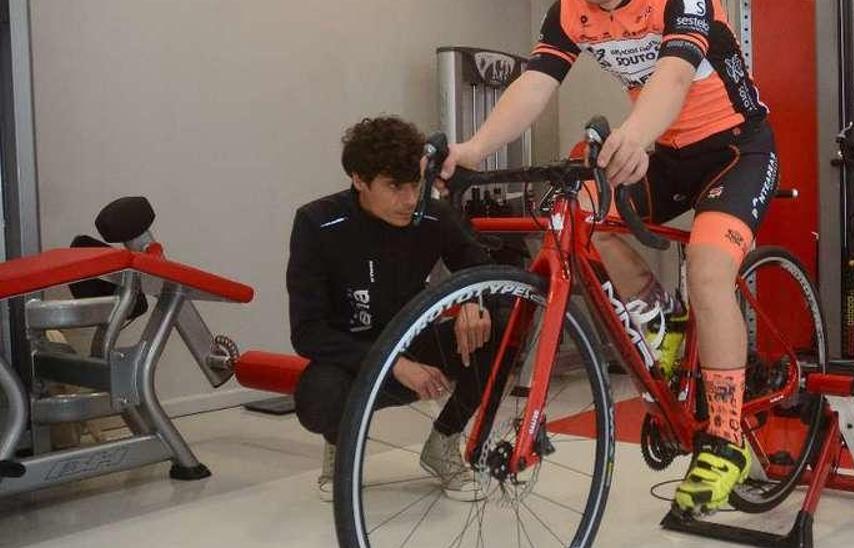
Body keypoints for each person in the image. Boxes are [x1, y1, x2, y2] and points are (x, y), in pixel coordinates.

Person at [437, 0, 778, 516]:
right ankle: (661, 314)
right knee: (576, 209)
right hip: (666, 151)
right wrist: (474, 148)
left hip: (737, 150)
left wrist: (635, 136)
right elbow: (536, 82)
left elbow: (675, 75)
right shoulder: (571, 10)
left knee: (708, 270)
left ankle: (725, 437)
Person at [288, 116, 501, 502]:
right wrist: (396, 365)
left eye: (416, 185)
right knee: (317, 397)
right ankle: (340, 445)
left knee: (502, 329)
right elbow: (307, 332)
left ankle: (443, 442)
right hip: (352, 360)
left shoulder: (432, 216)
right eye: (394, 187)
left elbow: (481, 269)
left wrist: (474, 299)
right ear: (358, 180)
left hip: (414, 342)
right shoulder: (317, 224)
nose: (409, 200)